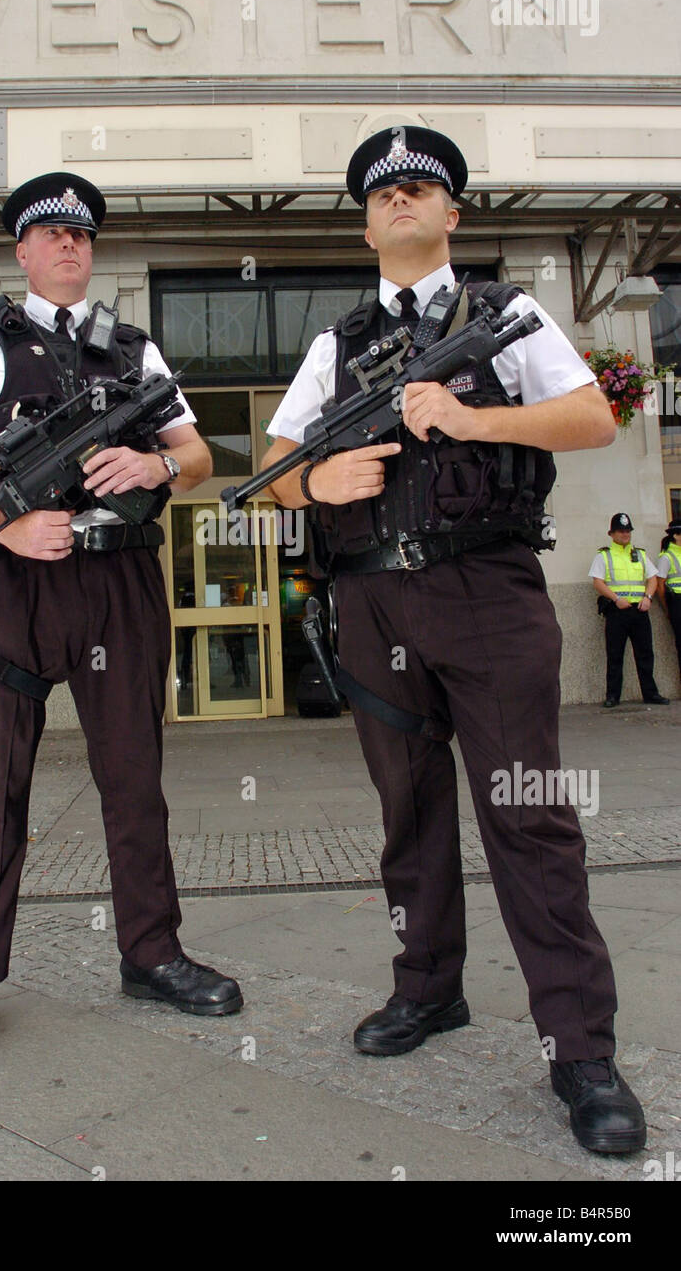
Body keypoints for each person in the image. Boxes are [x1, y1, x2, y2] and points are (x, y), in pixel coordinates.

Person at [261, 124, 646, 1155]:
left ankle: (580, 1048)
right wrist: (316, 481)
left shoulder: (505, 313)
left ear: (451, 214)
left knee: (529, 820)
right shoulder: (335, 343)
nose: (400, 200)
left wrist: (473, 420)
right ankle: (427, 989)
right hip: (374, 604)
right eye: (383, 193)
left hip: (487, 588)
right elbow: (275, 462)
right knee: (409, 815)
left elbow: (591, 417)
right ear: (365, 218)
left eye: (421, 187)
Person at [0, 172, 242, 1068]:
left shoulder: (134, 349)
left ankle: (152, 954)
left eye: (82, 237)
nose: (67, 248)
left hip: (119, 582)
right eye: (50, 236)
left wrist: (157, 471)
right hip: (16, 587)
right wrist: (4, 521)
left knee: (134, 778)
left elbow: (199, 452)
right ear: (21, 252)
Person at [589, 512, 669, 708]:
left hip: (639, 610)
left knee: (645, 654)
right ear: (612, 533)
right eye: (621, 531)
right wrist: (616, 599)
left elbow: (652, 578)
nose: (625, 534)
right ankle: (613, 696)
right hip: (617, 611)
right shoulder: (604, 555)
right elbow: (597, 582)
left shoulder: (640, 554)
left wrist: (648, 598)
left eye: (627, 531)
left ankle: (651, 694)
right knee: (615, 654)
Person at [655, 518, 681, 674]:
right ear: (676, 536)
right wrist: (667, 609)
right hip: (677, 602)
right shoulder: (667, 557)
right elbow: (660, 585)